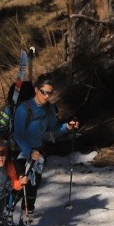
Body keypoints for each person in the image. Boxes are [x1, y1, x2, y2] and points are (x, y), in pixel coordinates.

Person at [10, 78, 77, 215]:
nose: (46, 96)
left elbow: (54, 127)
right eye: (44, 92)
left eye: (49, 93)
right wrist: (29, 151)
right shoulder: (24, 109)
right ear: (36, 90)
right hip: (21, 152)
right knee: (21, 185)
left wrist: (67, 127)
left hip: (38, 153)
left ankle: (26, 220)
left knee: (33, 187)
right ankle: (7, 210)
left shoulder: (49, 109)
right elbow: (18, 135)